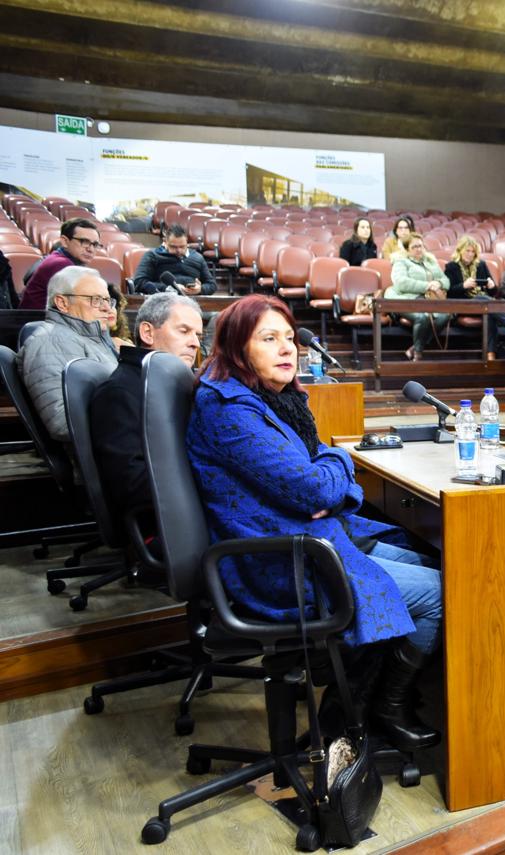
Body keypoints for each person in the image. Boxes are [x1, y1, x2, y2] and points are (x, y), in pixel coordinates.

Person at [186, 295, 440, 752]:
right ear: (238, 348)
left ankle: (364, 701)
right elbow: (317, 486)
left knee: (427, 559)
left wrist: (331, 470)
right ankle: (377, 710)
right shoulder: (228, 409)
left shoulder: (275, 399)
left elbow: (324, 474)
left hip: (309, 537)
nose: (287, 348)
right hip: (279, 561)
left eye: (289, 337)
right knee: (441, 592)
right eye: (269, 339)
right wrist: (338, 462)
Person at [89, 292, 203, 518]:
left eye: (198, 335)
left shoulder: (174, 382)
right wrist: (214, 475)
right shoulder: (119, 392)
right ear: (147, 333)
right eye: (184, 331)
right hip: (168, 522)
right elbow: (132, 485)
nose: (195, 343)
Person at [16, 266, 118, 443]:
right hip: (106, 451)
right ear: (62, 303)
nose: (107, 308)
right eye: (95, 300)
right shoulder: (49, 343)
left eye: (108, 300)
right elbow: (62, 423)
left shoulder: (90, 338)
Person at [387, 233, 450, 360]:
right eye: (414, 247)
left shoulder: (430, 261)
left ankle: (415, 348)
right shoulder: (400, 262)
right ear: (406, 250)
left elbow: (446, 281)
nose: (419, 249)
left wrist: (439, 283)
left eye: (420, 246)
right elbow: (401, 283)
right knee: (422, 317)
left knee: (445, 315)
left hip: (427, 300)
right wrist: (427, 285)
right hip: (403, 299)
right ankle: (418, 355)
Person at [18, 218, 101, 309]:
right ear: (65, 241)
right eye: (84, 242)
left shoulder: (60, 258)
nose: (90, 249)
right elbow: (84, 306)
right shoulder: (61, 264)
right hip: (38, 317)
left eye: (95, 244)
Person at [132, 225, 216, 295]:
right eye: (173, 247)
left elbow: (212, 285)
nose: (178, 250)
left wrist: (200, 289)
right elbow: (139, 283)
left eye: (182, 246)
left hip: (193, 301)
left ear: (187, 242)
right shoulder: (152, 256)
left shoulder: (197, 257)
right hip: (163, 300)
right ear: (165, 242)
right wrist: (169, 289)